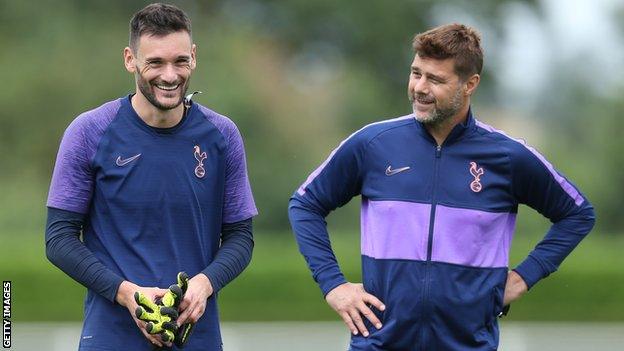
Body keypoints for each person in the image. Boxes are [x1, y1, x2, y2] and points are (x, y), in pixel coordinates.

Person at [288, 23, 595, 350]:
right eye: (416, 73)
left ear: (470, 84)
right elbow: (305, 204)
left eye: (435, 79)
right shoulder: (373, 143)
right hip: (378, 344)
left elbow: (577, 215)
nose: (419, 87)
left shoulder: (508, 157)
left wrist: (521, 278)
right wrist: (334, 285)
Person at [45, 3, 257, 350]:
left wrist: (204, 283)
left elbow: (240, 237)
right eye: (155, 62)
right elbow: (59, 239)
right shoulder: (90, 132)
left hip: (197, 339)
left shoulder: (222, 136)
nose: (170, 75)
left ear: (194, 56)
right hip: (110, 338)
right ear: (130, 60)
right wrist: (127, 293)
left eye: (180, 61)